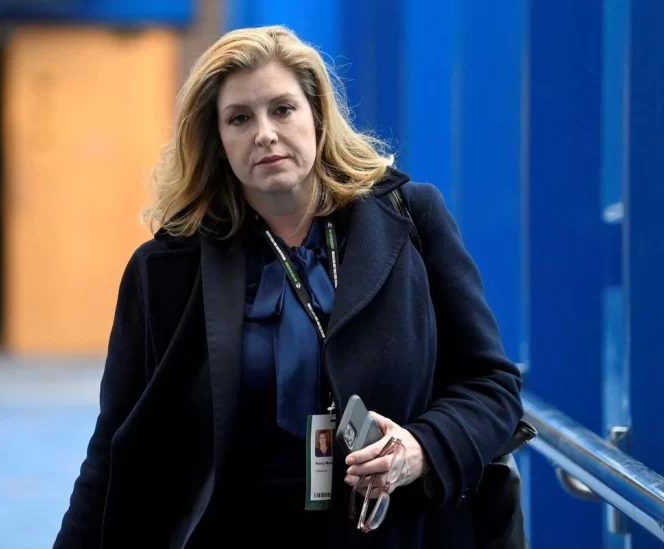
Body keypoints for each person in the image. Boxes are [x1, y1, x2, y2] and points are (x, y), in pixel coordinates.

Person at [52, 25, 524, 548]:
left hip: (399, 534)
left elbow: (492, 386)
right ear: (218, 142)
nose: (265, 134)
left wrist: (420, 448)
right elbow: (116, 447)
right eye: (239, 118)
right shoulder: (165, 270)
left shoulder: (412, 219)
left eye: (283, 109)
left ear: (317, 116)